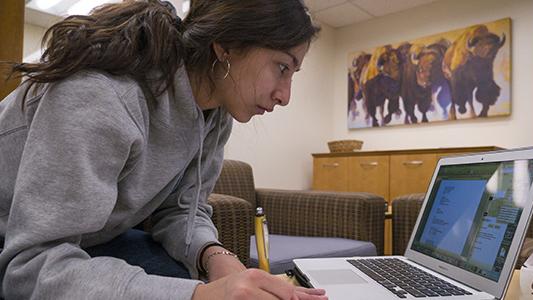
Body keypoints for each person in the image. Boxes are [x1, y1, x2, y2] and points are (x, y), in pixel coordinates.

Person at [0, 0, 326, 299]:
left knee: (184, 276)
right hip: (21, 249)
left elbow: (182, 208)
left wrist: (215, 256)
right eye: (282, 67)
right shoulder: (102, 95)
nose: (285, 96)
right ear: (227, 45)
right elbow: (31, 269)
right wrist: (201, 295)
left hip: (87, 241)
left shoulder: (215, 116)